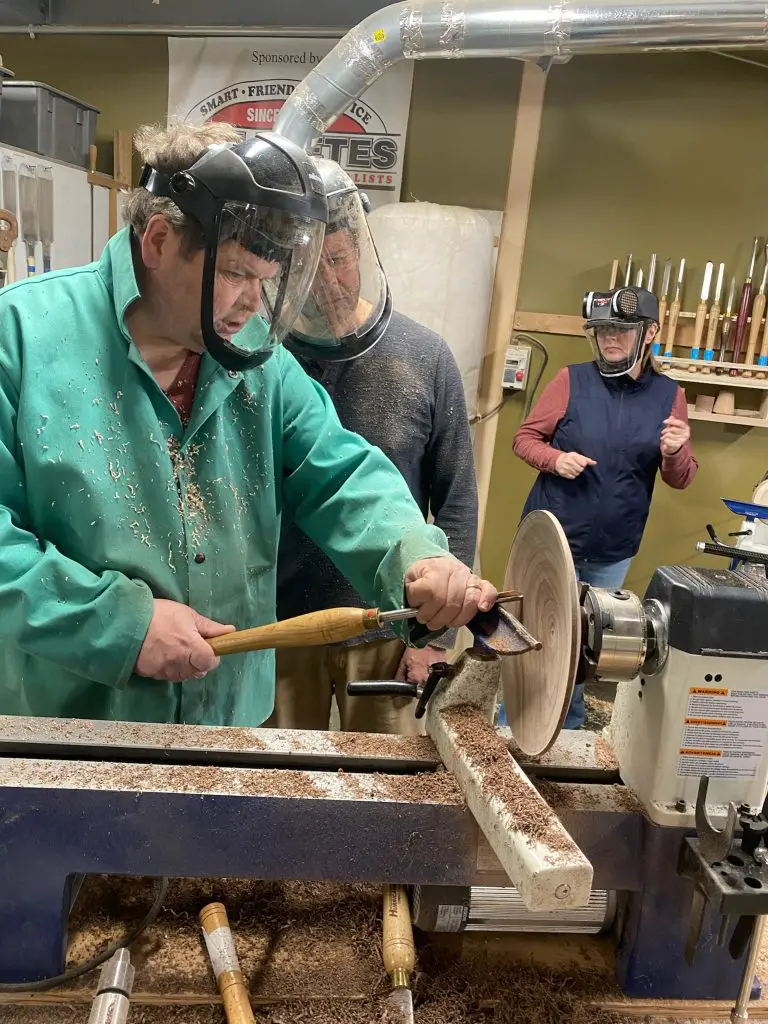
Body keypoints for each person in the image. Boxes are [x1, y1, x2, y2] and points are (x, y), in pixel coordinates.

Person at [0, 121, 497, 727]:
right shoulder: (21, 337)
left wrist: (413, 556)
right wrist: (117, 624)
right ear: (158, 242)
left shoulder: (259, 359)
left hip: (231, 719)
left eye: (266, 281)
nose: (252, 304)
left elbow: (339, 473)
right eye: (235, 273)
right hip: (74, 727)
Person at [268, 160, 478, 735]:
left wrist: (435, 636)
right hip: (282, 625)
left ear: (359, 251)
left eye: (338, 260)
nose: (328, 283)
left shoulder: (426, 357)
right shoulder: (264, 358)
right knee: (276, 774)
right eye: (309, 267)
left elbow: (457, 502)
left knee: (389, 776)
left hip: (390, 626)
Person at [512, 285, 697, 728]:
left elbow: (681, 478)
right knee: (537, 632)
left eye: (621, 329)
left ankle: (569, 726)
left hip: (613, 547)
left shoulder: (669, 395)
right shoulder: (570, 380)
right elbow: (525, 439)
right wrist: (555, 460)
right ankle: (514, 721)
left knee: (586, 640)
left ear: (650, 332)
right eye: (601, 330)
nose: (609, 338)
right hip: (553, 535)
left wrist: (674, 452)